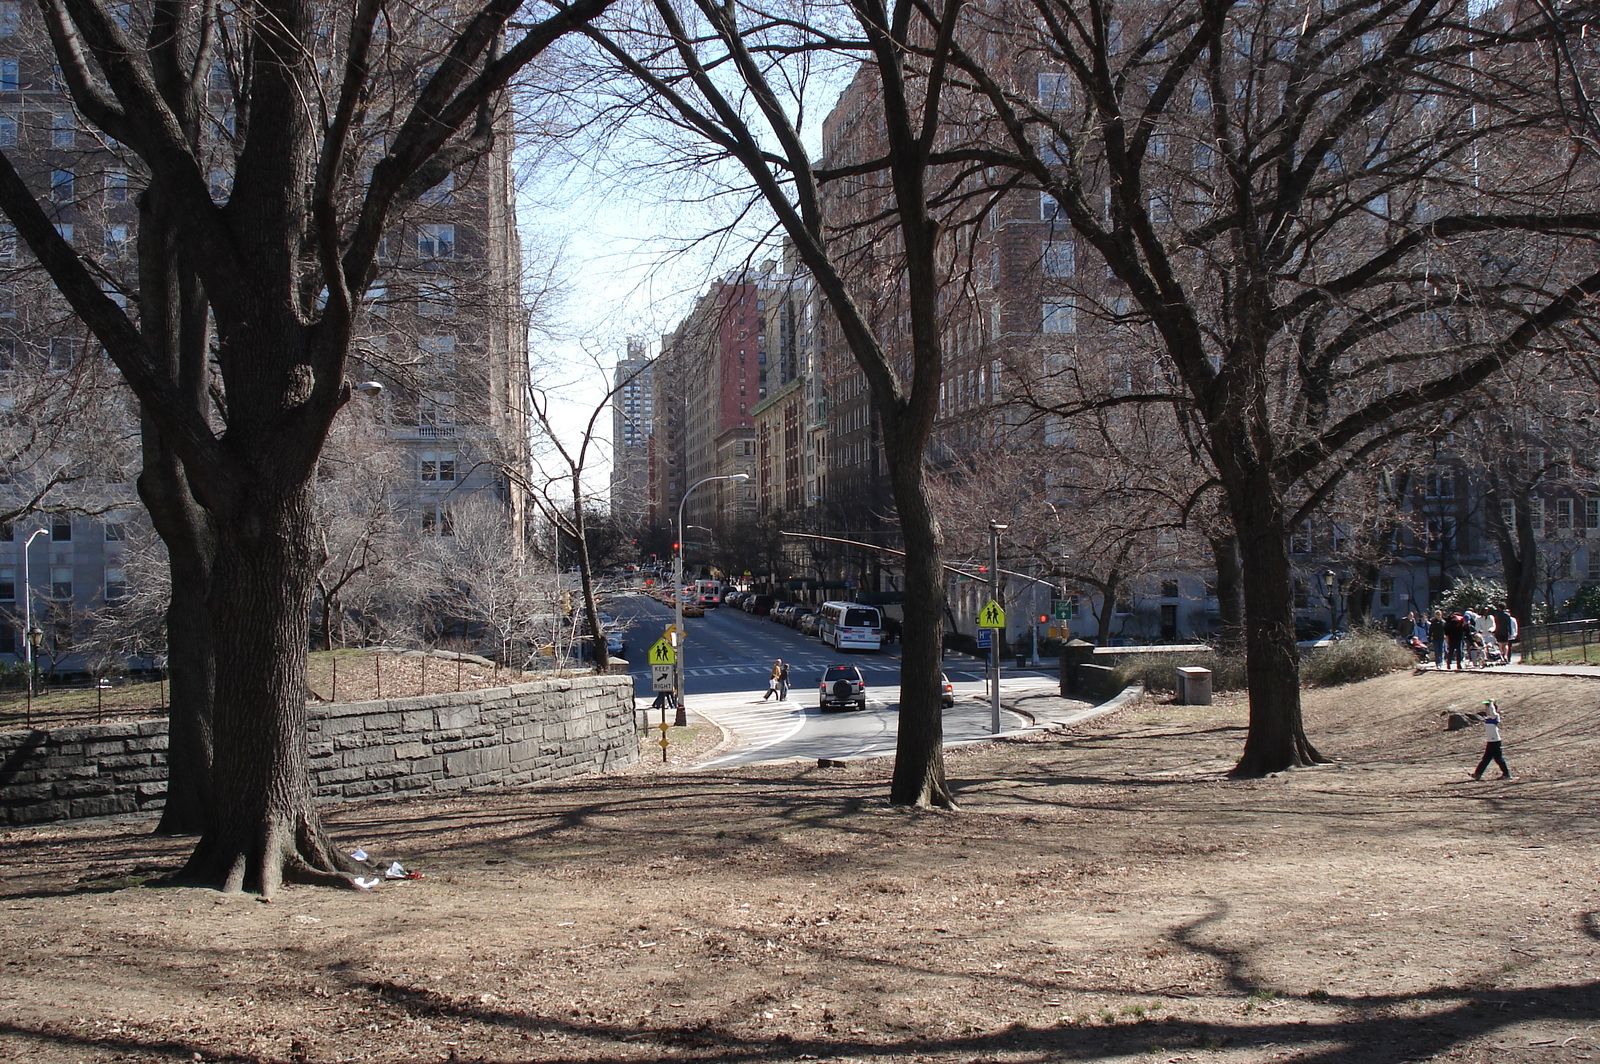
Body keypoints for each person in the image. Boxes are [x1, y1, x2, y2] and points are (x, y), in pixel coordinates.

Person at [1470, 699, 1514, 780]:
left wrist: (1491, 704)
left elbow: (1493, 712)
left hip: (1495, 742)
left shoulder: (1495, 716)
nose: (1487, 710)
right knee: (1486, 759)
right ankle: (1478, 774)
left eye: (1488, 708)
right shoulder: (1489, 718)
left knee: (1498, 759)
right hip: (1490, 742)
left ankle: (1507, 774)